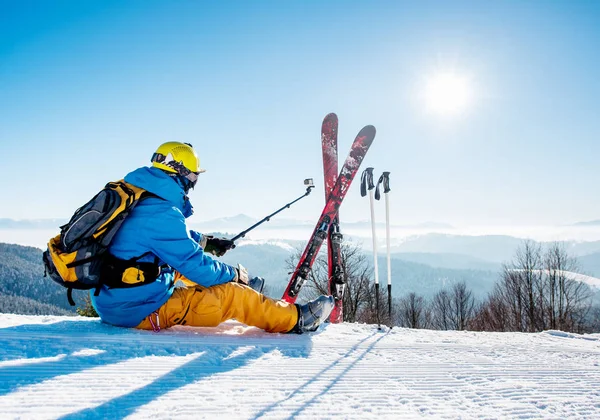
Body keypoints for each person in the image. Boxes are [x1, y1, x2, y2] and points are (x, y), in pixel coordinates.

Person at [91, 141, 334, 334]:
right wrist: (234, 275)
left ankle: (244, 288)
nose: (194, 183)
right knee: (234, 297)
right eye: (194, 176)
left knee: (176, 267)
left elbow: (166, 239)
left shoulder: (138, 197)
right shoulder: (161, 212)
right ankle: (297, 319)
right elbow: (195, 266)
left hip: (114, 295)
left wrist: (208, 242)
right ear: (180, 172)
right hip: (137, 310)